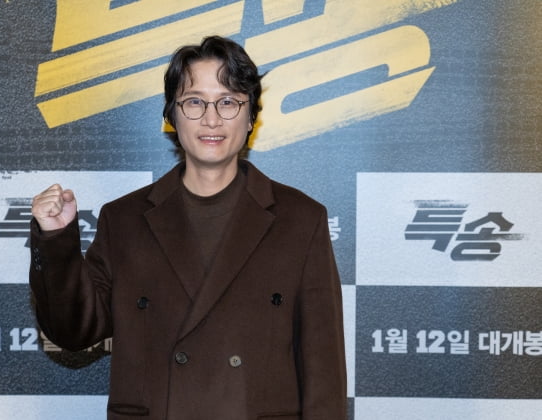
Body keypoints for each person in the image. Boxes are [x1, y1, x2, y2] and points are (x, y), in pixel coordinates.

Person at [29, 35, 346, 420]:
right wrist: (56, 240)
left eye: (228, 102)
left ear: (251, 117)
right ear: (171, 115)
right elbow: (73, 332)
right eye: (194, 102)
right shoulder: (124, 220)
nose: (212, 119)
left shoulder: (300, 220)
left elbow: (323, 369)